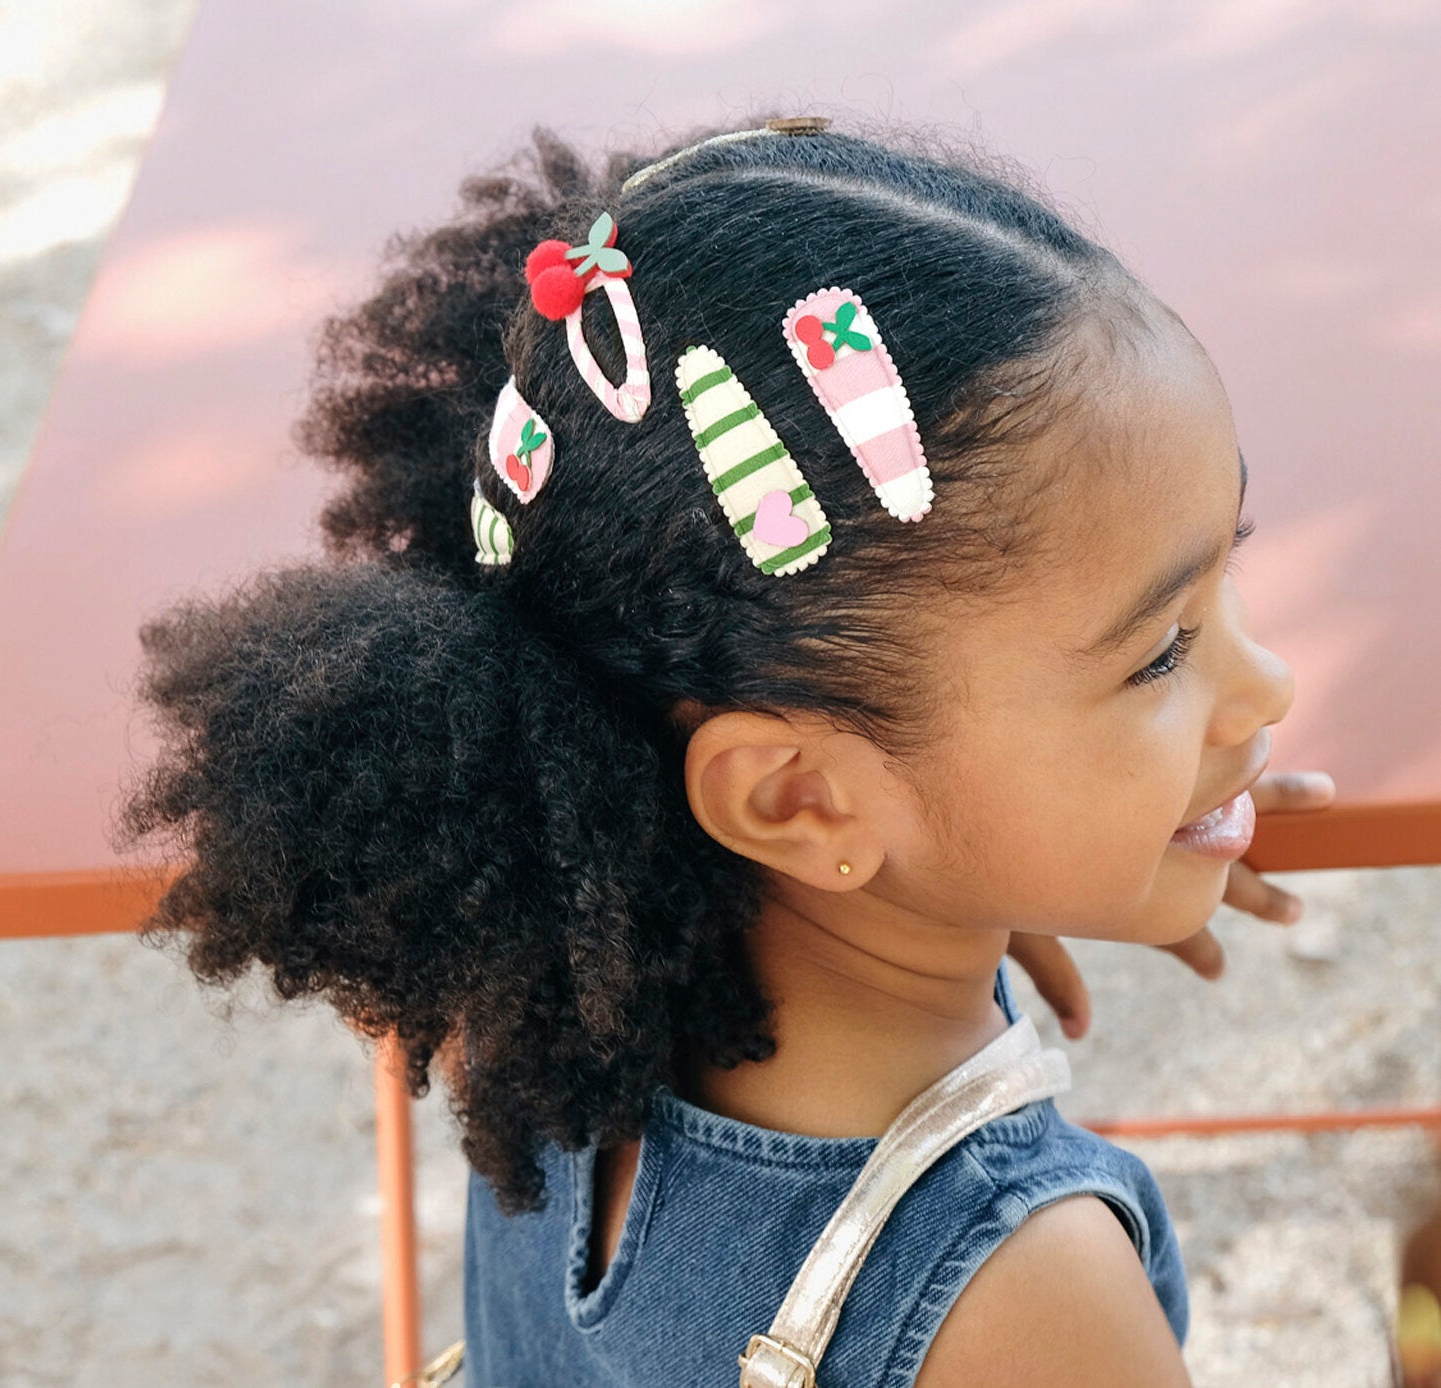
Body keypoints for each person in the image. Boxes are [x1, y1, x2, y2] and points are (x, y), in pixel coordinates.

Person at [114, 122, 1336, 1386]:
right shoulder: (1025, 1298)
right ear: (798, 799)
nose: (1270, 684)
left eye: (1225, 571)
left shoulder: (561, 962)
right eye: (1159, 655)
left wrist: (981, 865)